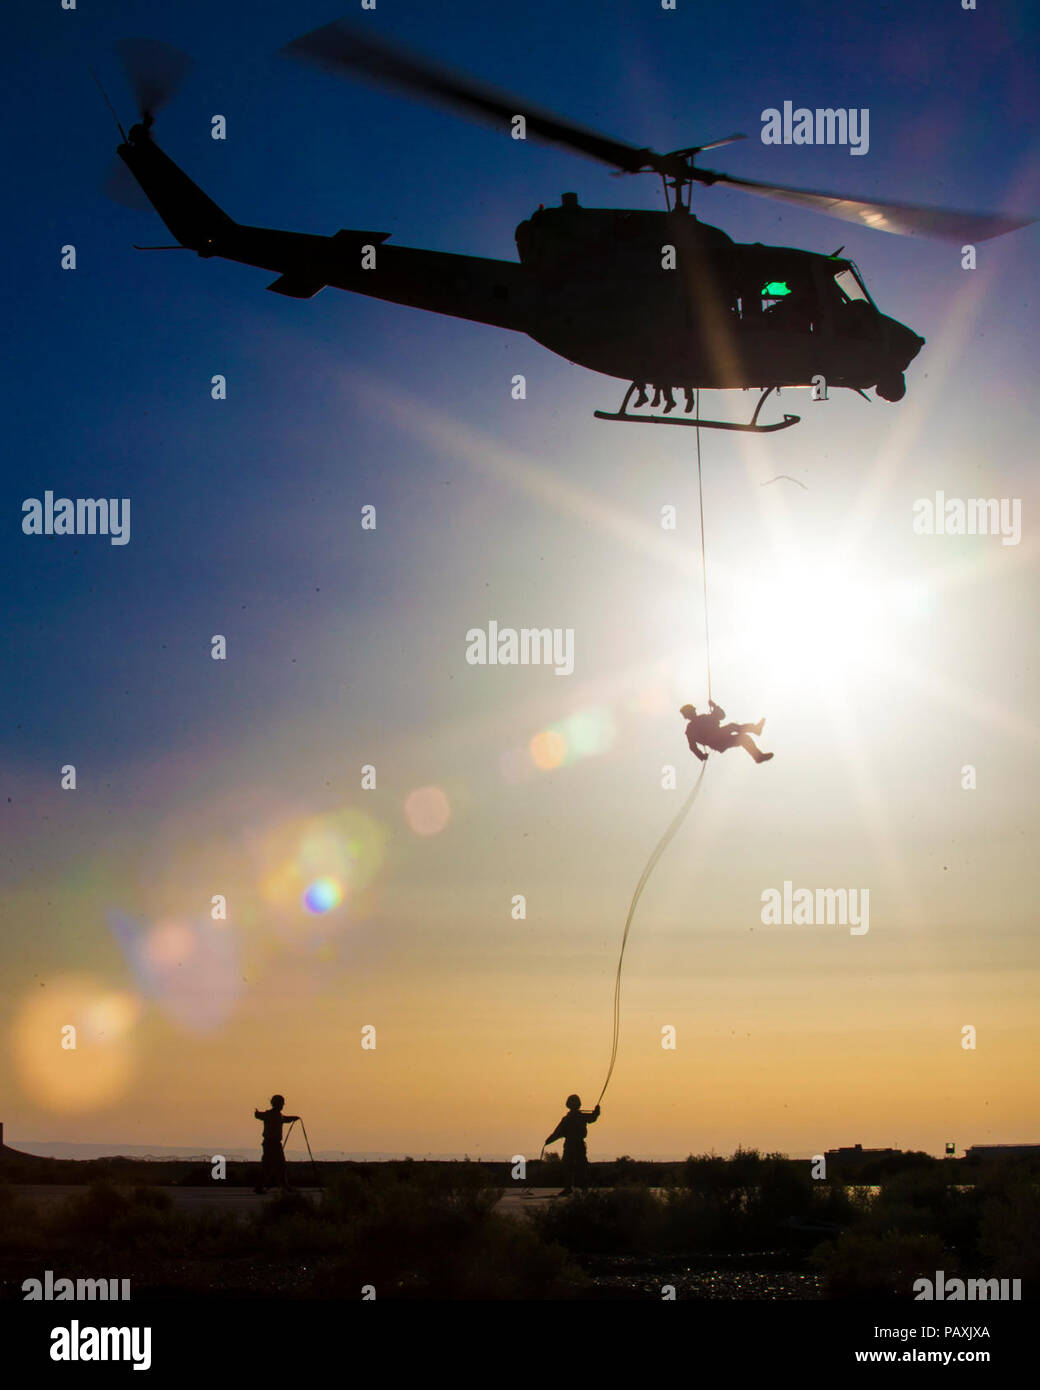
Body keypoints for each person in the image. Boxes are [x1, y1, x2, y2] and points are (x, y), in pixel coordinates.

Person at [680, 700, 773, 763]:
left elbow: (721, 716)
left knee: (744, 738)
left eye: (693, 711)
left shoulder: (702, 718)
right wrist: (701, 756)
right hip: (716, 740)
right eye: (691, 711)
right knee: (732, 726)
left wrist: (714, 706)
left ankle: (758, 756)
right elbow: (692, 747)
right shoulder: (691, 728)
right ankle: (755, 729)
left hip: (720, 739)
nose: (694, 712)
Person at [545, 1094, 600, 1195]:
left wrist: (548, 1141)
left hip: (573, 1145)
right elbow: (592, 1118)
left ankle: (573, 1188)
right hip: (575, 1145)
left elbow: (557, 1133)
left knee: (574, 1166)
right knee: (574, 1166)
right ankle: (578, 1188)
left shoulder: (569, 1118)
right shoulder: (577, 1117)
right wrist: (596, 1113)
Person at [253, 1094, 299, 1193]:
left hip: (273, 1144)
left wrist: (293, 1118)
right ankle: (282, 1186)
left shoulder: (275, 1115)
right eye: (281, 1104)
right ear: (278, 1104)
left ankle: (280, 1186)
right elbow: (284, 1119)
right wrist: (293, 1118)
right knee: (275, 1166)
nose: (282, 1106)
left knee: (275, 1166)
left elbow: (284, 1119)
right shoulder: (272, 1115)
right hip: (271, 1144)